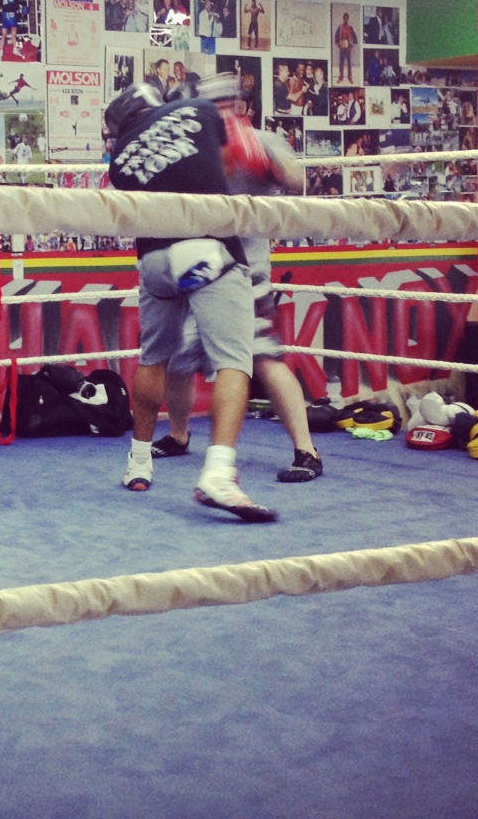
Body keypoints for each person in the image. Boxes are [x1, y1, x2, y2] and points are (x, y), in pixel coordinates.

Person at [105, 81, 278, 522]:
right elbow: (226, 164)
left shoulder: (120, 159)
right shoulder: (200, 109)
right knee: (234, 360)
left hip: (155, 262)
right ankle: (218, 473)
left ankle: (138, 464)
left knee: (154, 357)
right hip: (207, 250)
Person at [149, 74, 323, 484]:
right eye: (214, 105)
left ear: (240, 105)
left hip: (245, 272)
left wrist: (263, 158)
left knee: (263, 357)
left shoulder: (261, 139)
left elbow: (298, 181)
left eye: (228, 103)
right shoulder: (190, 147)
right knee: (179, 355)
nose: (222, 111)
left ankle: (307, 450)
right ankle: (178, 434)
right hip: (194, 267)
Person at [335, 12, 358, 82]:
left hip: (348, 47)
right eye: (344, 18)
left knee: (349, 63)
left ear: (348, 19)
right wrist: (339, 45)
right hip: (342, 47)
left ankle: (349, 77)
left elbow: (355, 39)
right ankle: (341, 77)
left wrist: (351, 46)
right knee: (341, 63)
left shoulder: (350, 28)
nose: (345, 19)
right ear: (343, 19)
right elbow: (336, 37)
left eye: (346, 18)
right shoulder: (340, 27)